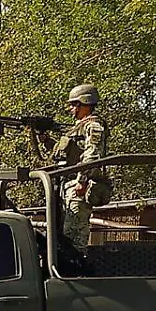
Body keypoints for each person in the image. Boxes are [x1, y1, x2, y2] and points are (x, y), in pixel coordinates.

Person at [38, 83, 111, 252]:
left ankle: (77, 269)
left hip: (79, 186)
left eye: (73, 104)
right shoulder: (78, 127)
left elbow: (93, 154)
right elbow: (69, 153)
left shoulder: (93, 126)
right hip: (68, 184)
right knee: (63, 233)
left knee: (75, 235)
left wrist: (82, 180)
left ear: (83, 103)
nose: (70, 108)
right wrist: (46, 141)